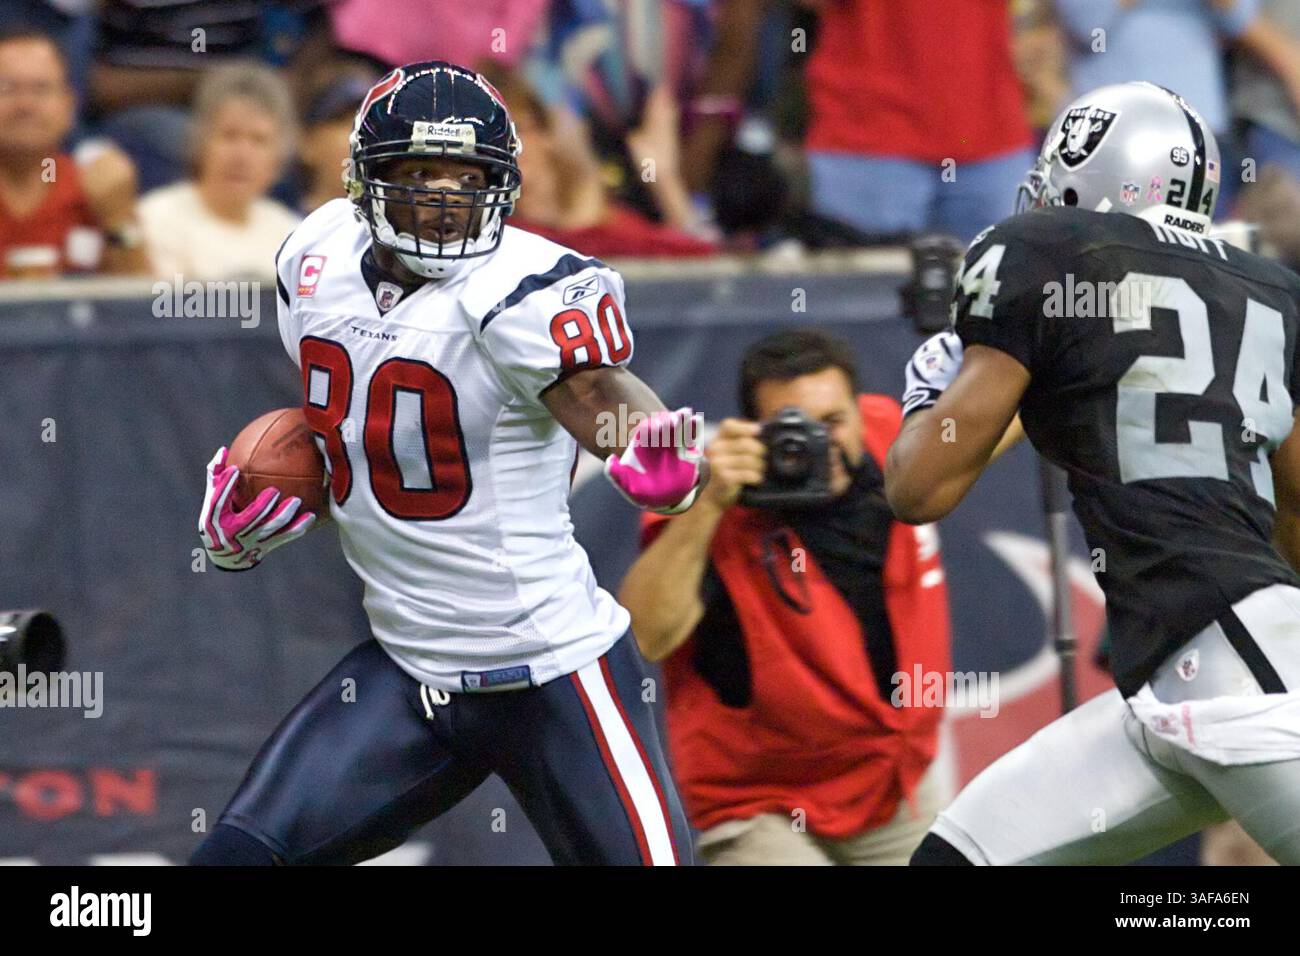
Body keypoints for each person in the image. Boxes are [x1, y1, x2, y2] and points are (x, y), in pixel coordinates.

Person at [188, 61, 703, 866]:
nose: (442, 197)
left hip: (552, 673)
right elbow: (365, 439)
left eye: (467, 178)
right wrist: (267, 498)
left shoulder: (524, 290)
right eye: (418, 174)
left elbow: (599, 392)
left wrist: (649, 446)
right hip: (408, 670)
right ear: (365, 181)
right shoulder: (315, 258)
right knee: (235, 860)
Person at [890, 81, 1300, 865]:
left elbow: (917, 488)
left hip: (1235, 669)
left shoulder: (1044, 255)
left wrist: (930, 386)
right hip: (1181, 676)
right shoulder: (1272, 290)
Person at [619, 329, 952, 865]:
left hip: (892, 781)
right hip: (758, 802)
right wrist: (708, 504)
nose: (817, 444)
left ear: (860, 410)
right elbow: (641, 640)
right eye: (792, 430)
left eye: (833, 421)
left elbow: (991, 429)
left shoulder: (893, 437)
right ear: (755, 431)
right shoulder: (712, 495)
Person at [0, 27, 146, 278]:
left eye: (41, 89)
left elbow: (135, 304)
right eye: (6, 88)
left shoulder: (98, 188)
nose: (25, 104)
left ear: (68, 106)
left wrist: (119, 219)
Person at [137, 65, 301, 282]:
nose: (242, 156)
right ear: (200, 142)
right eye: (229, 136)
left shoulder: (293, 236)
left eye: (258, 140)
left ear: (279, 156)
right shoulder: (156, 217)